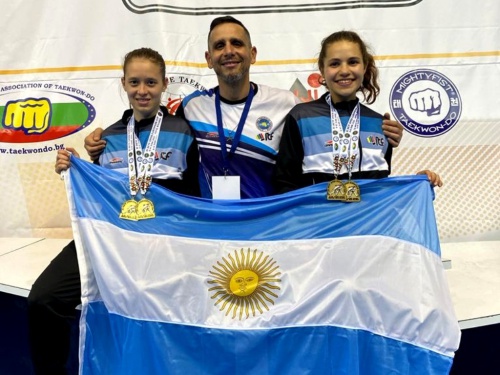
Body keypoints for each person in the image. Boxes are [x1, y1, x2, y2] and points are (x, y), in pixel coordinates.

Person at [85, 16, 405, 199]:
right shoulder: (190, 107)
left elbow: (322, 143)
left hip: (266, 221)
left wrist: (381, 133)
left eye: (237, 43)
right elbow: (151, 132)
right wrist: (100, 144)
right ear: (209, 59)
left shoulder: (287, 103)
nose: (229, 51)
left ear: (252, 54)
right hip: (211, 222)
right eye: (219, 45)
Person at [27, 47, 199, 375]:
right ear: (123, 83)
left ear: (164, 85)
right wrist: (72, 166)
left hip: (162, 243)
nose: (142, 90)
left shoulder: (185, 132)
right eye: (134, 82)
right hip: (110, 239)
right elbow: (100, 193)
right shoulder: (108, 138)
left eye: (151, 82)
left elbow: (193, 200)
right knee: (43, 300)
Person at [274, 30, 442, 195]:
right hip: (318, 222)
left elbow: (380, 187)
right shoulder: (301, 117)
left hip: (367, 222)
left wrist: (415, 184)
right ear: (322, 68)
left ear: (365, 66)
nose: (344, 70)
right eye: (334, 64)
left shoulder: (380, 124)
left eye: (353, 62)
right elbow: (285, 183)